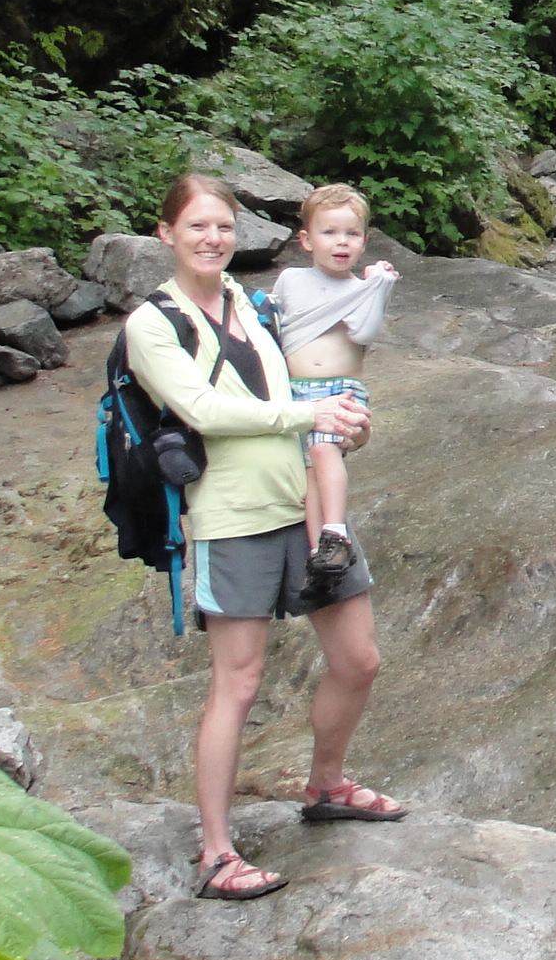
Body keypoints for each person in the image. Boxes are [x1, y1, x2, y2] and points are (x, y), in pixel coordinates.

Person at [125, 172, 408, 903]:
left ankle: (327, 784)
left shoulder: (253, 305)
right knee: (239, 682)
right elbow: (202, 409)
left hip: (301, 502)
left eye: (223, 226)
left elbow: (300, 389)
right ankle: (217, 852)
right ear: (167, 235)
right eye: (197, 227)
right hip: (233, 516)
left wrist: (345, 422)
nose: (213, 238)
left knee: (359, 659)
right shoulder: (152, 325)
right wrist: (305, 420)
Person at [270, 183, 399, 601]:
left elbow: (364, 332)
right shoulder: (291, 280)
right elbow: (271, 322)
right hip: (297, 390)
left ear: (364, 240)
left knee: (326, 450)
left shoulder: (358, 289)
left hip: (342, 387)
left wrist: (379, 288)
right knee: (308, 475)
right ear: (306, 240)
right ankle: (319, 555)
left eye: (352, 234)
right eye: (329, 232)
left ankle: (336, 532)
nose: (341, 242)